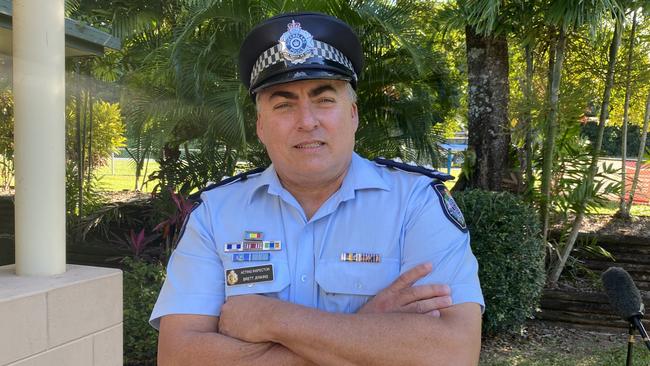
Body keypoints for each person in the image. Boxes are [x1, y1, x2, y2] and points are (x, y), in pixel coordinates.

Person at [151, 12, 484, 365]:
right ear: (260, 126)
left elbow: (453, 352)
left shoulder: (416, 205)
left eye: (324, 100)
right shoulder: (217, 214)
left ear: (353, 114)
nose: (307, 122)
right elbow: (177, 355)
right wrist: (366, 334)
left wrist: (269, 318)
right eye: (283, 105)